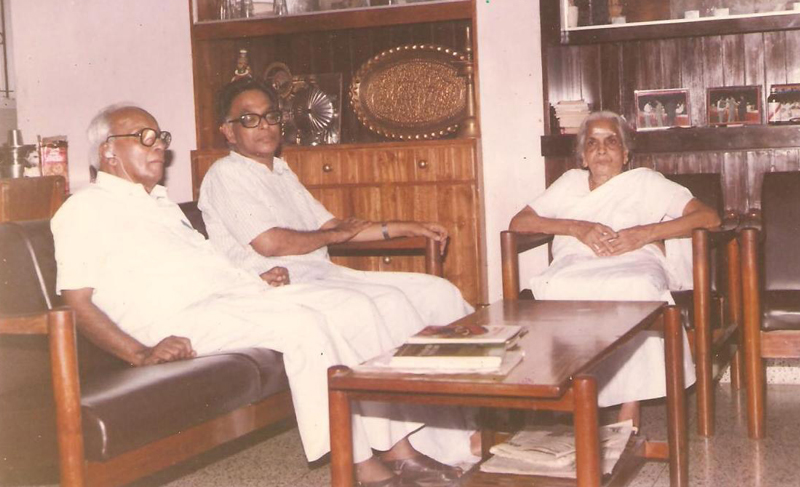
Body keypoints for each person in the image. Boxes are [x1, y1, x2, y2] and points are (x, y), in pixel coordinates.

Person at [51, 104, 469, 487]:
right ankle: (360, 465)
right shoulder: (84, 209)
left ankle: (399, 450)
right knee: (304, 326)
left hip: (226, 301)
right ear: (108, 151)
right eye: (144, 137)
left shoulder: (159, 205)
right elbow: (77, 302)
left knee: (353, 307)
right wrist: (141, 353)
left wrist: (254, 280)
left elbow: (201, 265)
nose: (158, 144)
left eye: (160, 136)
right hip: (177, 319)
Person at [197, 79, 473, 340]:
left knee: (438, 292)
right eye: (249, 119)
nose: (264, 126)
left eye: (271, 116)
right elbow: (270, 243)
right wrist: (333, 236)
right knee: (388, 303)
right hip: (276, 286)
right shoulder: (225, 173)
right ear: (229, 131)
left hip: (322, 275)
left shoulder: (280, 172)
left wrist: (406, 227)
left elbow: (334, 227)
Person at [507, 110, 720, 426]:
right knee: (558, 288)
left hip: (635, 261)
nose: (602, 150)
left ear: (625, 153)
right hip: (575, 265)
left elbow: (708, 218)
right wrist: (576, 228)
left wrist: (644, 234)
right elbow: (519, 222)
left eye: (611, 141)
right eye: (592, 143)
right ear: (583, 156)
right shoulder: (569, 183)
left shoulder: (645, 181)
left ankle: (629, 407)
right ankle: (578, 397)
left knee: (637, 288)